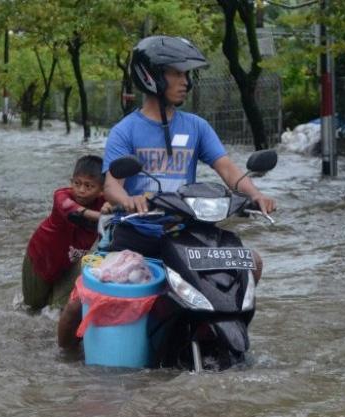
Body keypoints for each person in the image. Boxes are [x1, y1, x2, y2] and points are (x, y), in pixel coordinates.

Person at [57, 35, 276, 349]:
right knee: (76, 308)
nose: (185, 81)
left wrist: (255, 194)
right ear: (153, 76)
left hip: (187, 235)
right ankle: (65, 362)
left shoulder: (197, 127)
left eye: (186, 75)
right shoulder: (125, 130)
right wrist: (127, 200)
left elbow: (227, 169)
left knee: (251, 263)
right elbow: (111, 184)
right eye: (177, 73)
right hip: (134, 234)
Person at [22, 155, 110, 311]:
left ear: (101, 190)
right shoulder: (61, 196)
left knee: (55, 310)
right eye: (77, 183)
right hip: (41, 258)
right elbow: (73, 210)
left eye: (89, 186)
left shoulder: (106, 204)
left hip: (72, 261)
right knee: (32, 307)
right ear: (71, 182)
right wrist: (104, 217)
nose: (81, 190)